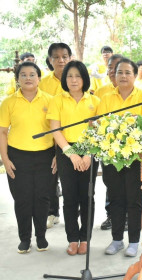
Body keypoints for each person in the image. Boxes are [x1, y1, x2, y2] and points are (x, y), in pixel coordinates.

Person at [0, 62, 56, 253]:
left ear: (39, 78)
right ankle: (24, 239)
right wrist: (5, 159)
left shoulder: (50, 100)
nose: (28, 78)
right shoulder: (9, 102)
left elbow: (56, 130)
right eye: (23, 75)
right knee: (22, 199)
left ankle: (41, 237)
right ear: (17, 79)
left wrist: (57, 155)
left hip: (45, 156)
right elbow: (2, 132)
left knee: (42, 197)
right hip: (18, 156)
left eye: (32, 74)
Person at [47, 60, 100, 256]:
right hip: (65, 150)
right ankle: (72, 239)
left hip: (89, 151)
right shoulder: (57, 100)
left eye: (78, 76)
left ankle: (85, 238)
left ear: (84, 78)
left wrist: (87, 154)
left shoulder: (95, 101)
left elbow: (99, 131)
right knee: (69, 197)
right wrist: (71, 154)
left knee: (87, 196)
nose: (73, 79)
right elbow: (55, 129)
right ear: (64, 79)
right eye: (69, 76)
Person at [97, 58, 142, 257]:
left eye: (128, 72)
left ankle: (134, 242)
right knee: (116, 199)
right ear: (114, 75)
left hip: (135, 158)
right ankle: (117, 240)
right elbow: (101, 124)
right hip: (111, 158)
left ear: (135, 75)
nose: (124, 76)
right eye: (120, 72)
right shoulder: (107, 98)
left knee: (134, 200)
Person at [40, 43, 73, 229]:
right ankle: (52, 212)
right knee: (50, 178)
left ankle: (73, 211)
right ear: (50, 60)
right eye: (56, 57)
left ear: (70, 58)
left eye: (65, 56)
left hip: (73, 137)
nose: (61, 60)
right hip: (49, 139)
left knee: (72, 178)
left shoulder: (76, 79)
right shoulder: (42, 83)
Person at [94, 54, 125, 231]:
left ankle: (128, 217)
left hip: (130, 149)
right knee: (111, 185)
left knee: (130, 188)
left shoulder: (138, 92)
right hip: (108, 149)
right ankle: (111, 216)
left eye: (117, 68)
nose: (113, 71)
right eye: (111, 67)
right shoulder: (101, 93)